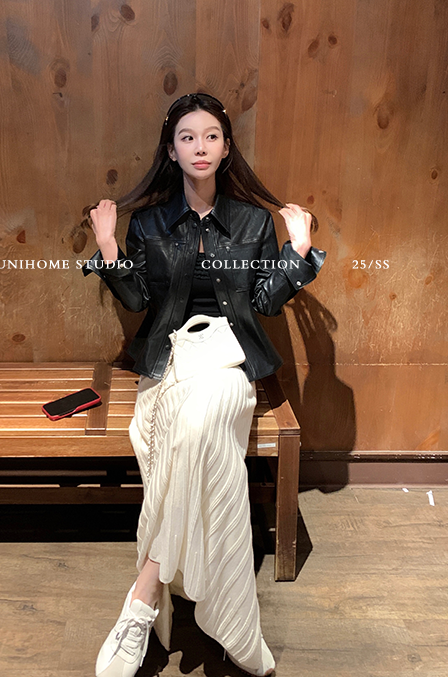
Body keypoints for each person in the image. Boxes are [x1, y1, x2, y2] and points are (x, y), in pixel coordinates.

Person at [81, 93, 326, 677]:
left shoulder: (251, 222)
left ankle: (143, 597)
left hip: (229, 363)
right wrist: (109, 244)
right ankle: (224, 616)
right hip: (170, 363)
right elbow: (137, 300)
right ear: (171, 150)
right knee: (194, 433)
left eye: (211, 136)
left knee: (198, 424)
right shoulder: (148, 223)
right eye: (187, 137)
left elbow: (265, 302)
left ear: (226, 148)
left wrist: (295, 250)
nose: (199, 147)